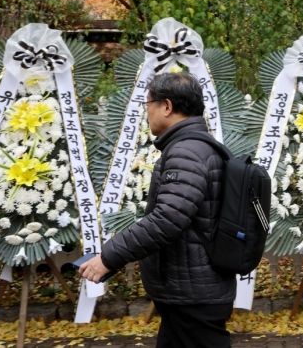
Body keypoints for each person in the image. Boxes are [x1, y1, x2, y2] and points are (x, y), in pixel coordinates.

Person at [79, 72, 236, 348]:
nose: (146, 112)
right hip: (190, 290)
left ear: (166, 106)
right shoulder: (195, 147)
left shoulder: (186, 152)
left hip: (193, 294)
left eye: (147, 104)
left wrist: (109, 257)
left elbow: (167, 219)